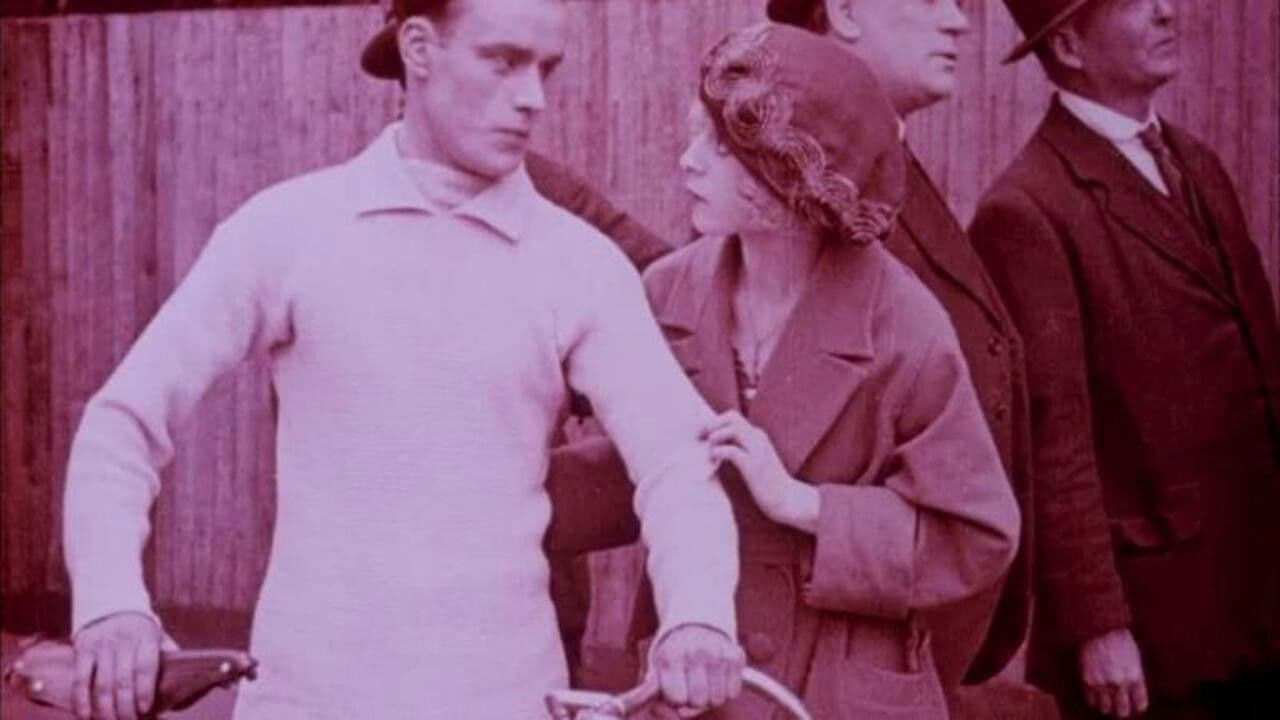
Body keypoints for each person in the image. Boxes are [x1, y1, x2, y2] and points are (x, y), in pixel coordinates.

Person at [60, 1, 747, 718]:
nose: (533, 99)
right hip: (308, 700)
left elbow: (679, 462)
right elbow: (124, 421)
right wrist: (112, 604)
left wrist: (698, 615)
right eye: (503, 61)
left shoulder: (579, 263)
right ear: (418, 48)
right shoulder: (290, 228)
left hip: (505, 701)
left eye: (546, 69)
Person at [564, 22, 1020, 719]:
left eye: (719, 146)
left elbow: (978, 535)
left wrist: (806, 505)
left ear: (790, 173)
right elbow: (640, 471)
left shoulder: (906, 327)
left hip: (838, 692)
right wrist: (504, 498)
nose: (688, 160)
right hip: (698, 685)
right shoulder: (667, 292)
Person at [970, 1, 1280, 717]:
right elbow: (1054, 438)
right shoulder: (1026, 210)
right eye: (1135, 1)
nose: (1168, 11)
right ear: (1069, 45)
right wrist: (1097, 626)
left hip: (1252, 594)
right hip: (1151, 640)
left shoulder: (1196, 163)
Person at [762, 0, 1035, 692]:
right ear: (845, 11)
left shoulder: (884, 164)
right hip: (829, 662)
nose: (959, 22)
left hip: (899, 642)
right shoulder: (799, 190)